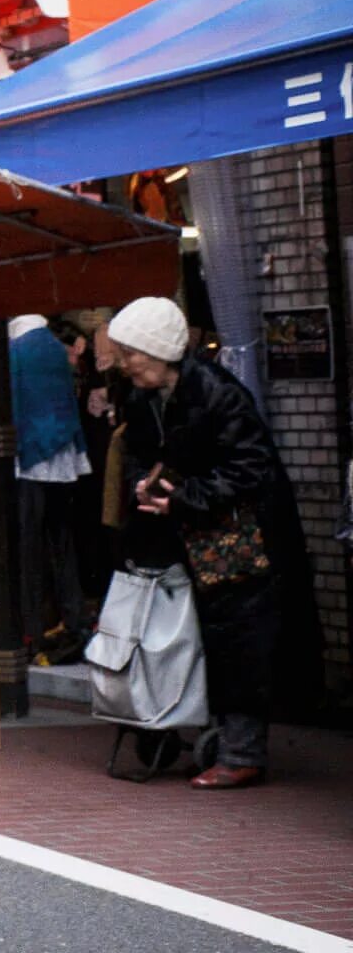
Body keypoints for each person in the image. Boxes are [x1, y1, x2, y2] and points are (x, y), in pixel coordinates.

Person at [109, 296, 315, 789]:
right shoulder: (143, 399)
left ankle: (241, 753)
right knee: (200, 637)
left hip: (239, 541)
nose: (124, 363)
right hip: (186, 534)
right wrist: (145, 485)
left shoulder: (218, 392)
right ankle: (217, 742)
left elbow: (250, 467)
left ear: (158, 350)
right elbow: (141, 455)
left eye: (130, 352)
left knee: (239, 638)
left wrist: (184, 496)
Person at [9, 314, 90, 659]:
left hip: (30, 455)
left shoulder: (15, 350)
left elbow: (12, 405)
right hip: (64, 451)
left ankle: (33, 629)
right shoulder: (56, 350)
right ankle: (74, 620)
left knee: (29, 549)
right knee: (62, 544)